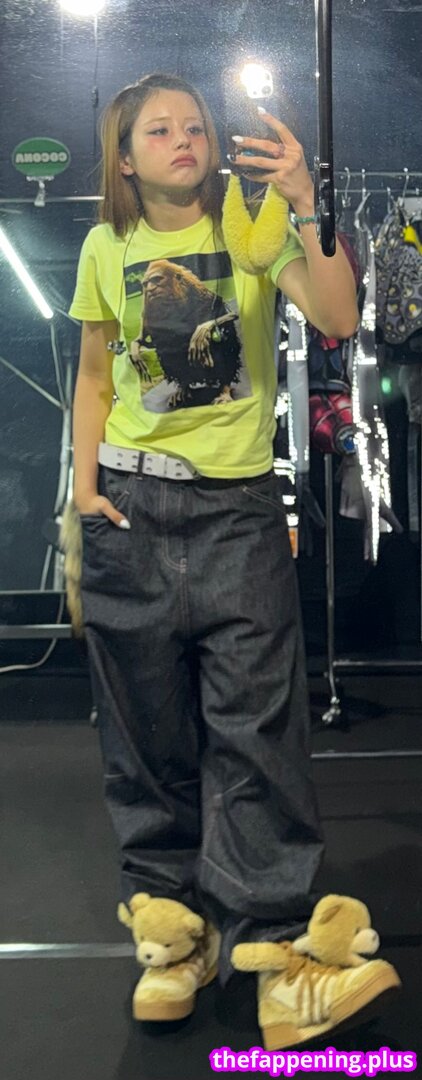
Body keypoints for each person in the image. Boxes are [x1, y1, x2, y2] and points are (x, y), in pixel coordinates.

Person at [69, 72, 400, 1049]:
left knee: (258, 736)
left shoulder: (250, 224)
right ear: (124, 158)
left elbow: (337, 317)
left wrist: (304, 206)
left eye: (195, 124)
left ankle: (273, 949)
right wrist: (83, 490)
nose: (184, 138)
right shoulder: (105, 244)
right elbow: (95, 372)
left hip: (237, 516)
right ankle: (174, 935)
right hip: (129, 507)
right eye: (157, 130)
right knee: (147, 736)